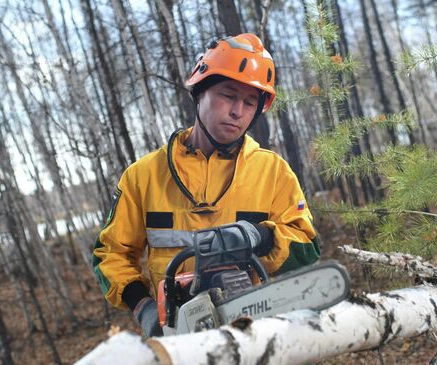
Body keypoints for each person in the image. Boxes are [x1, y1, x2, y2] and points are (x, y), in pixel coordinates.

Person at [92, 33, 321, 338]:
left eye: (249, 102)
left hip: (253, 328)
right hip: (178, 332)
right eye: (228, 94)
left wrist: (261, 236)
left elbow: (307, 244)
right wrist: (143, 306)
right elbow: (111, 254)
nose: (237, 111)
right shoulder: (143, 176)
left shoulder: (272, 172)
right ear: (200, 91)